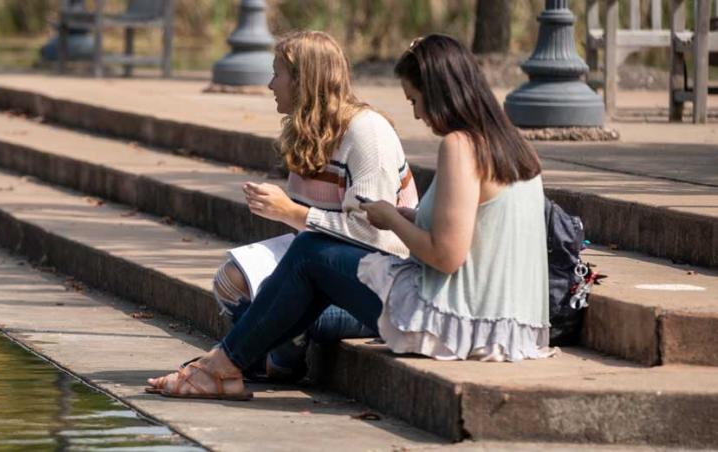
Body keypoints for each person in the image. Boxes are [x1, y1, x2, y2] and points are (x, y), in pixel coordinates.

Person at [148, 34, 553, 401]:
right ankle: (230, 366)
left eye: (415, 100)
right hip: (507, 325)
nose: (416, 115)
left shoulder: (459, 145)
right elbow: (474, 234)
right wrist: (404, 214)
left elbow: (447, 256)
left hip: (453, 322)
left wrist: (391, 219)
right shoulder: (515, 149)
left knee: (308, 255)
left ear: (439, 91)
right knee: (293, 269)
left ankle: (221, 368)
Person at [211, 29, 417, 384]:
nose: (270, 84)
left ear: (303, 80)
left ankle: (271, 360)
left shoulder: (367, 133)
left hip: (382, 282)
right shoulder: (309, 132)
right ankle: (273, 357)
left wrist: (291, 212)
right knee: (229, 282)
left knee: (276, 299)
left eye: (278, 74)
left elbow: (377, 235)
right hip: (333, 265)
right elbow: (318, 239)